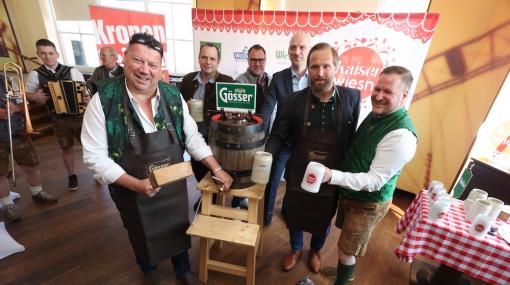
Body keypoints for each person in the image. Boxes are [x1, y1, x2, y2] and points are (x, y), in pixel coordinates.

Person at [81, 33, 232, 284]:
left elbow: (192, 136)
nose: (145, 70)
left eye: (152, 64)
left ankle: (182, 270)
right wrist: (135, 184)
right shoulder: (103, 100)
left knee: (176, 224)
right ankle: (148, 272)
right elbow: (94, 157)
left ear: (160, 67)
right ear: (125, 59)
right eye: (138, 61)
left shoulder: (172, 96)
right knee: (140, 231)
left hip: (171, 184)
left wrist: (216, 168)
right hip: (129, 186)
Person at [265, 42, 360, 274]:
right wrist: (265, 156)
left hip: (332, 174)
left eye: (326, 66)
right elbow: (278, 135)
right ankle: (296, 248)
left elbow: (350, 141)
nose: (320, 72)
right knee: (295, 211)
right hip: (299, 170)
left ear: (336, 66)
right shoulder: (293, 101)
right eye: (315, 67)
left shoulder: (351, 98)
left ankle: (316, 250)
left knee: (324, 215)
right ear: (308, 69)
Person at [320, 66, 418, 285]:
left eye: (388, 92)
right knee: (345, 245)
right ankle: (344, 270)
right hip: (351, 196)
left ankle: (344, 279)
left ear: (404, 96)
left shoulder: (402, 136)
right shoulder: (378, 115)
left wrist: (331, 175)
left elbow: (374, 182)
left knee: (347, 249)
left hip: (367, 203)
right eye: (377, 89)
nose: (379, 96)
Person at [259, 32, 311, 226]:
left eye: (302, 47)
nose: (297, 52)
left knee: (296, 180)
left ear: (309, 50)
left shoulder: (315, 79)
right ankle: (265, 217)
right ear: (288, 50)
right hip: (281, 137)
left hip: (305, 140)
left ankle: (290, 212)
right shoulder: (278, 78)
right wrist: (259, 138)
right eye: (293, 47)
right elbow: (266, 110)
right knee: (272, 178)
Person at [25, 38, 89, 191]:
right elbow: (26, 94)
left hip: (80, 116)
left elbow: (85, 92)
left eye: (50, 53)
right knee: (66, 148)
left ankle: (97, 172)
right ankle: (72, 175)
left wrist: (86, 97)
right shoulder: (36, 74)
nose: (47, 57)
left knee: (89, 147)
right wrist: (34, 97)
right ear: (38, 54)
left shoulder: (72, 71)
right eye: (43, 53)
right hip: (58, 118)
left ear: (57, 54)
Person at [0, 74, 57, 222]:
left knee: (31, 165)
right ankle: (7, 205)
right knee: (0, 174)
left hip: (18, 130)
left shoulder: (7, 78)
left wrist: (18, 107)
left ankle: (37, 192)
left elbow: (23, 103)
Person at [180, 43, 234, 184]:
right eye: (204, 57)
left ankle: (211, 202)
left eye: (212, 58)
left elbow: (233, 114)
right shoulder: (187, 80)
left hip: (217, 139)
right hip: (193, 137)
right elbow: (179, 109)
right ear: (198, 58)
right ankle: (205, 200)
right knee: (199, 174)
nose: (208, 62)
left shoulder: (227, 82)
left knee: (217, 175)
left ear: (218, 61)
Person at [231, 44, 271, 208]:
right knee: (243, 172)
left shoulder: (271, 80)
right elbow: (235, 115)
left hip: (265, 134)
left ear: (265, 61)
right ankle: (236, 203)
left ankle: (253, 204)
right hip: (246, 137)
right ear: (248, 60)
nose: (257, 63)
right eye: (253, 60)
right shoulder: (240, 81)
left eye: (260, 60)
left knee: (259, 173)